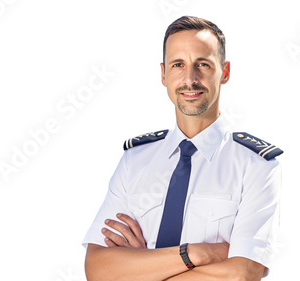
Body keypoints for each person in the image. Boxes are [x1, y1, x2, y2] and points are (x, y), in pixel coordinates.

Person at [82, 15, 283, 281]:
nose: (190, 78)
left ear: (224, 72)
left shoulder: (256, 165)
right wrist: (198, 254)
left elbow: (242, 273)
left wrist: (140, 269)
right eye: (178, 65)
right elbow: (97, 269)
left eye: (203, 64)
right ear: (164, 74)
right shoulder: (135, 161)